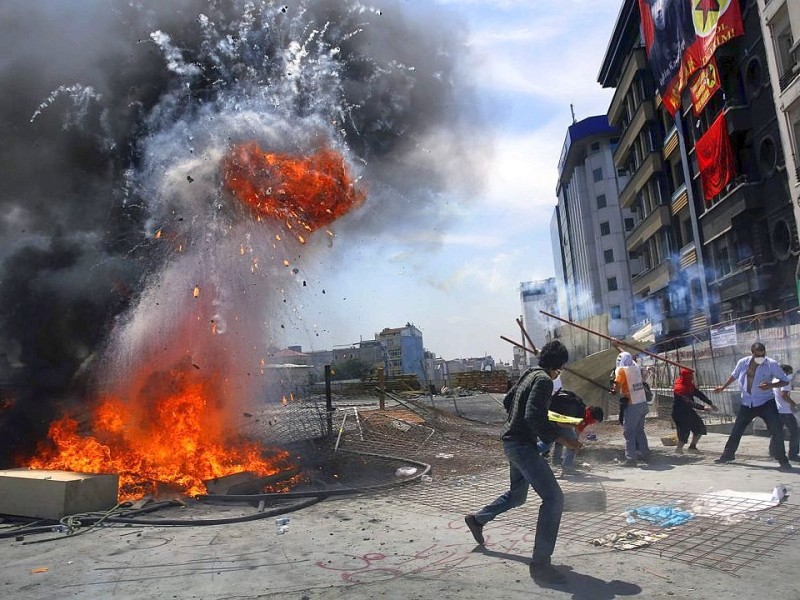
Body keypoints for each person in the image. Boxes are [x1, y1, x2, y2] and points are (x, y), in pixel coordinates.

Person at [464, 340, 580, 585]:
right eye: (561, 367)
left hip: (512, 442)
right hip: (522, 445)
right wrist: (561, 438)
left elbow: (509, 401)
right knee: (554, 498)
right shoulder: (545, 380)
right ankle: (541, 564)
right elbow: (532, 415)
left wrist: (525, 422)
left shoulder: (529, 374)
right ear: (559, 365)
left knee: (518, 496)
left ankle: (477, 520)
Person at [713, 343, 793, 472]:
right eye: (757, 355)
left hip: (766, 402)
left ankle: (782, 459)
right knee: (737, 430)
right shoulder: (743, 362)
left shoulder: (771, 364)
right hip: (747, 403)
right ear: (752, 353)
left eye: (763, 355)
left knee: (776, 430)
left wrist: (770, 386)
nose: (760, 358)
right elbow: (734, 375)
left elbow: (785, 380)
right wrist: (723, 387)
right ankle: (727, 455)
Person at [612, 352, 650, 466]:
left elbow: (616, 389)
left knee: (629, 432)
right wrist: (617, 345)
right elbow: (628, 356)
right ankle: (645, 454)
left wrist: (613, 390)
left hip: (632, 404)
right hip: (642, 403)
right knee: (639, 430)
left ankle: (630, 459)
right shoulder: (635, 366)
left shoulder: (621, 371)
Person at [551, 404, 604, 476]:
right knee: (573, 446)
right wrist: (576, 443)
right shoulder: (586, 418)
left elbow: (577, 430)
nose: (594, 423)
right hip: (560, 423)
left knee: (550, 442)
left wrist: (575, 440)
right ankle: (567, 467)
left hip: (555, 421)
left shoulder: (586, 411)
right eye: (595, 421)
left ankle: (556, 460)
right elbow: (576, 429)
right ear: (594, 417)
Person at [672, 368, 716, 453]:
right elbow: (689, 402)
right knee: (684, 433)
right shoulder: (679, 388)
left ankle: (692, 446)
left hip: (688, 411)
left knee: (700, 428)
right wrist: (703, 408)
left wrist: (710, 403)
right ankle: (678, 450)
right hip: (679, 413)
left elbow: (699, 394)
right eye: (689, 377)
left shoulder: (690, 385)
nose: (691, 379)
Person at [768, 364, 798, 462]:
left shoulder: (774, 380)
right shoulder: (785, 381)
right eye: (790, 372)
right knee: (795, 433)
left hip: (777, 411)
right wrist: (794, 404)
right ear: (785, 372)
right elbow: (784, 395)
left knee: (777, 432)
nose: (791, 374)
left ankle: (773, 453)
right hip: (785, 412)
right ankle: (793, 455)